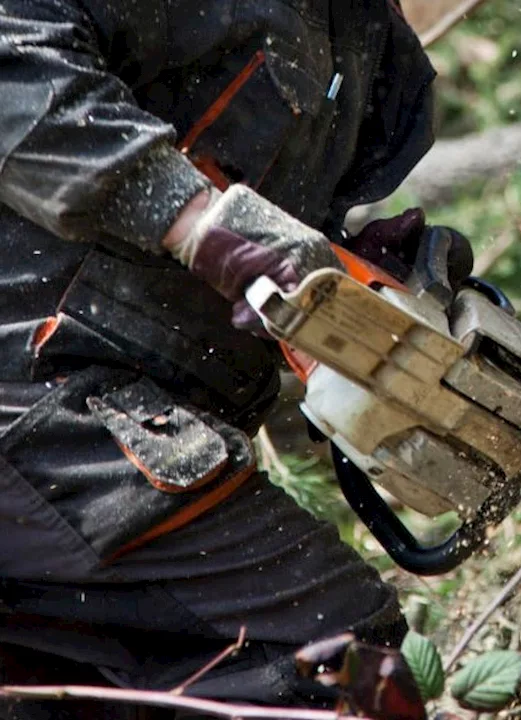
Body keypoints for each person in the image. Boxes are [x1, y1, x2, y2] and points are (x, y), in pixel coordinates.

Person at [0, 0, 460, 716]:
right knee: (334, 664)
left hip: (118, 420)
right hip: (36, 394)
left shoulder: (367, 46)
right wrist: (200, 223)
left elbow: (275, 234)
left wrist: (350, 277)